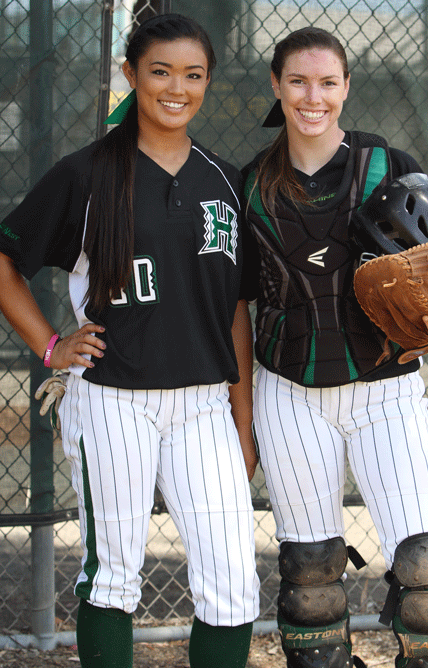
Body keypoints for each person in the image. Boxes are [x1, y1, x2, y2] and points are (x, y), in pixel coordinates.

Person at [0, 14, 259, 668]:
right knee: (113, 576)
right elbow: (5, 259)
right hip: (114, 399)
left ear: (207, 83)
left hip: (204, 404)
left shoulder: (225, 179)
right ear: (131, 75)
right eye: (161, 71)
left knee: (231, 582)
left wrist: (243, 417)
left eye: (193, 74)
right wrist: (51, 345)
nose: (178, 87)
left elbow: (233, 305)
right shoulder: (87, 173)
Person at [242, 27, 428, 668]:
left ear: (346, 87)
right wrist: (241, 415)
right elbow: (236, 304)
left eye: (328, 82)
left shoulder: (388, 165)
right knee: (310, 578)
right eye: (298, 81)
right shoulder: (249, 185)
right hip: (289, 392)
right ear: (277, 87)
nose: (314, 97)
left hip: (386, 390)